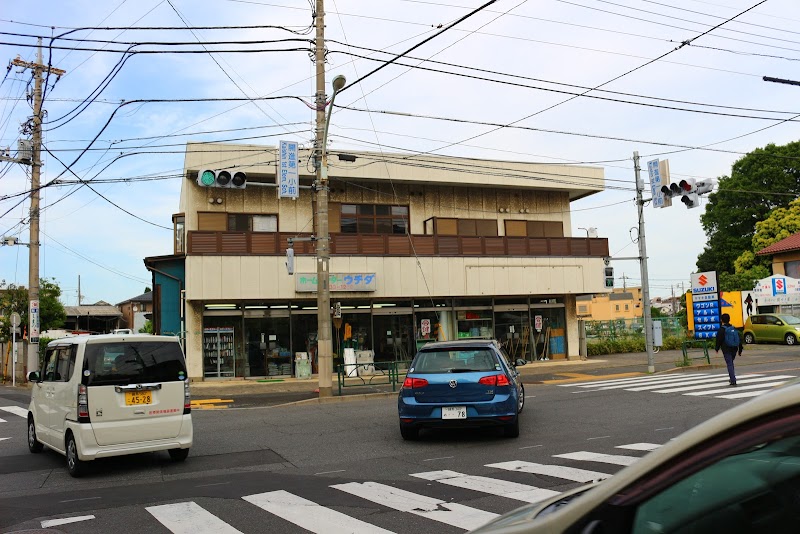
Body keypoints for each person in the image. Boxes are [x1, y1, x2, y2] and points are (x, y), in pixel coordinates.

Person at [715, 313, 743, 386]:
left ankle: (733, 380)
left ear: (721, 320)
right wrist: (740, 350)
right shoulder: (733, 328)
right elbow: (738, 339)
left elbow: (719, 339)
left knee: (729, 364)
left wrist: (716, 348)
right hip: (734, 348)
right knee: (731, 363)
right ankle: (732, 378)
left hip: (726, 349)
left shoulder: (721, 329)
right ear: (729, 319)